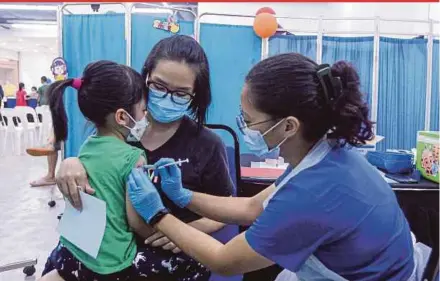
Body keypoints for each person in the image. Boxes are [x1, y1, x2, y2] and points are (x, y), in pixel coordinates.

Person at [126, 53, 430, 281]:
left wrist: (157, 213)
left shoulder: (313, 194)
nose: (242, 125)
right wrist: (183, 196)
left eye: (248, 118)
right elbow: (251, 207)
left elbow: (223, 260)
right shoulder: (326, 154)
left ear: (288, 127)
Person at [43, 35, 234, 281]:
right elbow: (95, 168)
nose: (167, 98)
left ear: (196, 94)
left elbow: (225, 208)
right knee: (59, 263)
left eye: (181, 94)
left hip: (168, 249)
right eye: (159, 86)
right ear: (145, 79)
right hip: (105, 244)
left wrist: (182, 232)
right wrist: (70, 164)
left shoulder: (207, 144)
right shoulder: (123, 129)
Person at [39, 60, 160, 281]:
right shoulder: (134, 158)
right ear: (122, 117)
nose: (146, 118)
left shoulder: (88, 146)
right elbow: (136, 222)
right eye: (143, 110)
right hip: (110, 265)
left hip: (74, 252)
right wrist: (161, 234)